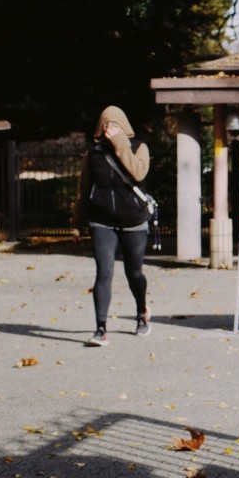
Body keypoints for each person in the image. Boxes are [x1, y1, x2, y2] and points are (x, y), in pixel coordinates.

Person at [81, 106, 152, 347]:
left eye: (115, 125)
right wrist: (76, 222)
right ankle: (100, 328)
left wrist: (121, 142)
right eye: (106, 125)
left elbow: (138, 173)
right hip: (102, 221)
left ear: (124, 128)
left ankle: (142, 312)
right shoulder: (93, 154)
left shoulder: (138, 147)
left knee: (134, 273)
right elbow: (82, 189)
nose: (110, 129)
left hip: (134, 221)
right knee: (104, 273)